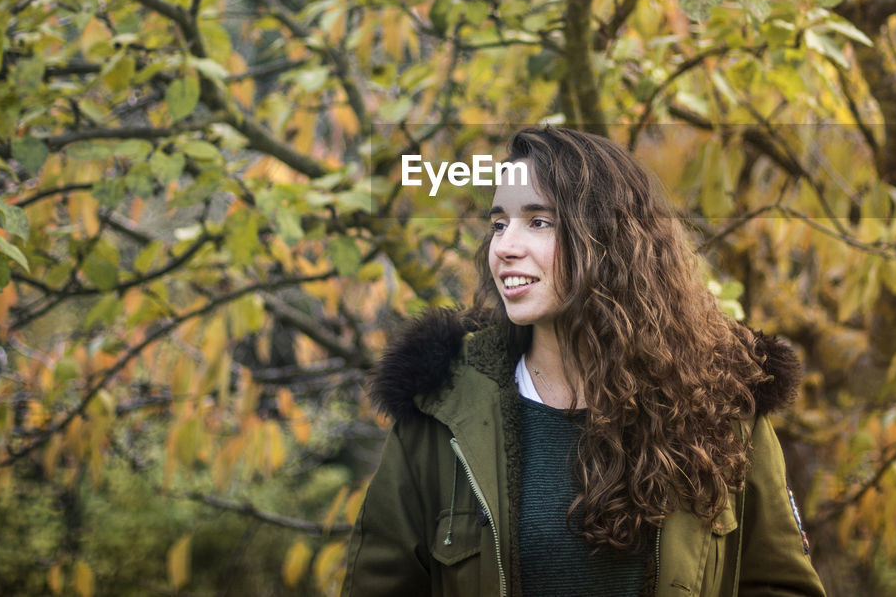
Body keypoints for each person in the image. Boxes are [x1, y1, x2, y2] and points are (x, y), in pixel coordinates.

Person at [343, 127, 826, 597]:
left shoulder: (722, 406)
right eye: (498, 223)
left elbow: (781, 585)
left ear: (611, 241)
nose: (505, 246)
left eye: (538, 221)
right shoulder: (443, 409)